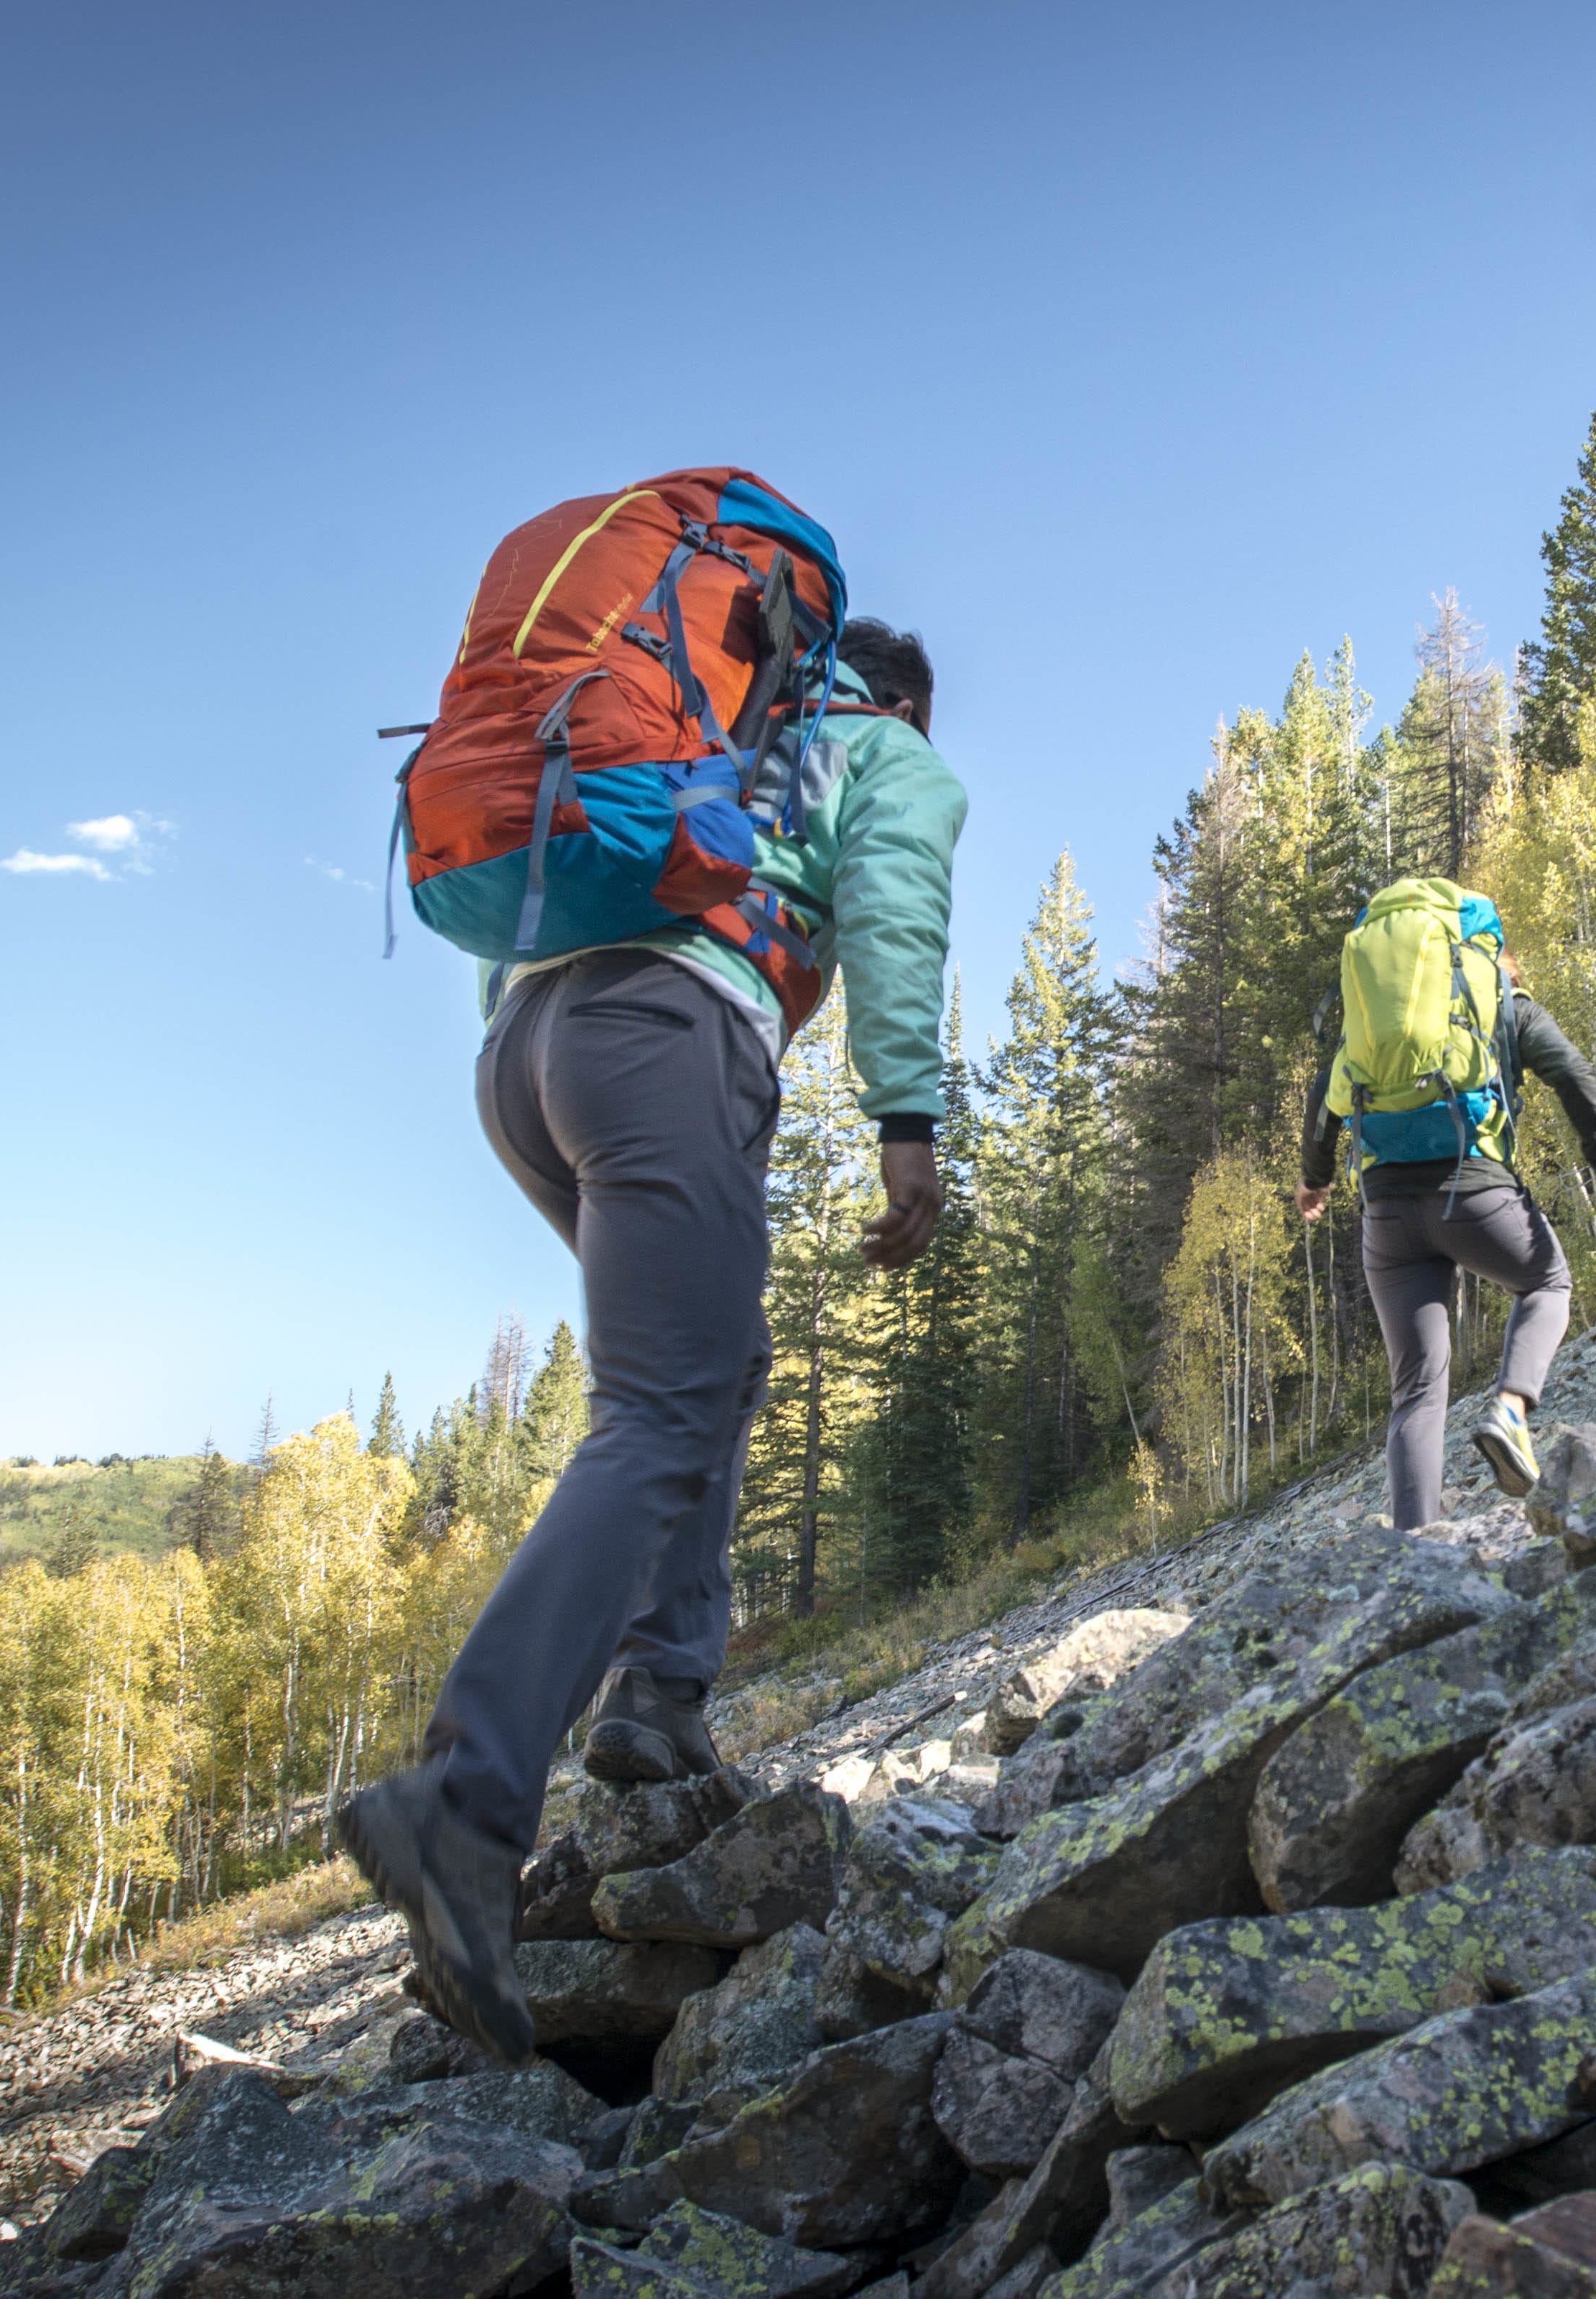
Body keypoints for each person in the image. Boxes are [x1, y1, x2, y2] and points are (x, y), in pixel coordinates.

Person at [340, 619, 965, 2066]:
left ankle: (663, 1698)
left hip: (526, 1051)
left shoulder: (711, 732)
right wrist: (908, 1122)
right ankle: (464, 1800)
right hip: (670, 1032)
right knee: (663, 1408)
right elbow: (891, 903)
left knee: (710, 1371)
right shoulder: (888, 755)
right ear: (911, 705)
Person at [1299, 927, 1596, 1530]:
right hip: (1475, 1193)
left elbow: (1322, 1100)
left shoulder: (1372, 1030)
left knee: (1416, 1389)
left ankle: (1418, 1555)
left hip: (1386, 1215)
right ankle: (1511, 1410)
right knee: (1547, 1283)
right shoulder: (1507, 1007)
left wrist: (1316, 1178)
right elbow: (1575, 1074)